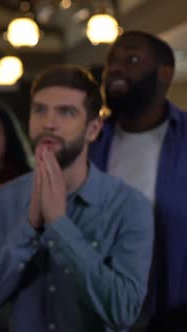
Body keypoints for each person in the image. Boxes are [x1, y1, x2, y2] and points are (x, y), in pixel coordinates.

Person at [0, 65, 153, 332]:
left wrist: (59, 224)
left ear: (93, 129)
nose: (48, 122)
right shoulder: (4, 200)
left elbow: (124, 311)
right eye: (40, 109)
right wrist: (29, 228)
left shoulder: (129, 205)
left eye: (66, 112)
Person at [89, 31, 187, 331]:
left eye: (131, 59)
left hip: (175, 308)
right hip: (99, 305)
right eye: (111, 62)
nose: (115, 68)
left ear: (165, 75)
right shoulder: (90, 141)